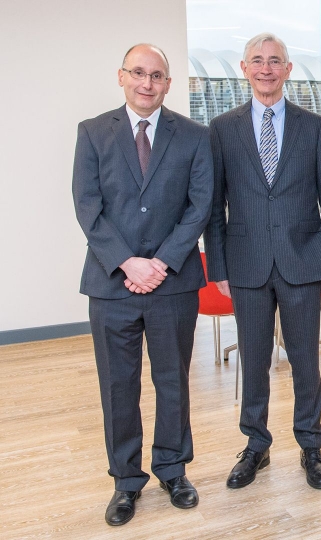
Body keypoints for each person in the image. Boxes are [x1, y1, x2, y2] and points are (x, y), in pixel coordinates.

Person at [72, 44, 213, 526]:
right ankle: (126, 482)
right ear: (122, 76)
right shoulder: (92, 133)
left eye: (156, 75)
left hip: (172, 284)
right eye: (138, 73)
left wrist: (161, 264)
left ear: (169, 84)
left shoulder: (194, 136)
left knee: (172, 380)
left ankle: (173, 469)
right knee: (118, 385)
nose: (146, 82)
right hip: (111, 284)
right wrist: (129, 263)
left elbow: (200, 206)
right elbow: (87, 207)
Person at [203, 32, 321, 491]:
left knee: (306, 360)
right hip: (246, 264)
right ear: (244, 69)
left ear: (287, 70)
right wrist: (219, 268)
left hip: (303, 260)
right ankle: (256, 445)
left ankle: (311, 444)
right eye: (257, 61)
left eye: (275, 61)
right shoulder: (222, 128)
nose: (266, 68)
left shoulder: (313, 126)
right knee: (255, 357)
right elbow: (214, 205)